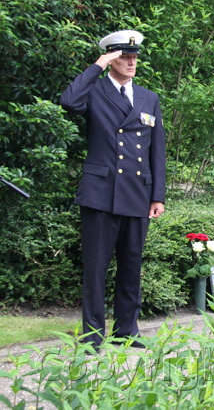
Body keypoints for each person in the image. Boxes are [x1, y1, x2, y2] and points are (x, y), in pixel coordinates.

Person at [60, 30, 166, 350]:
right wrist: (96, 67)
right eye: (124, 56)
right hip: (101, 194)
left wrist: (158, 195)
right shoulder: (95, 91)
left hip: (137, 193)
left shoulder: (148, 98)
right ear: (110, 59)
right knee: (95, 269)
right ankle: (93, 335)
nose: (131, 62)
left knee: (131, 266)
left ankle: (126, 331)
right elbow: (69, 101)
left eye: (134, 57)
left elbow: (156, 151)